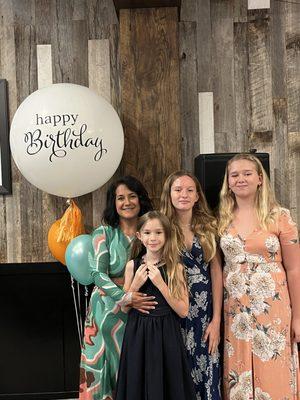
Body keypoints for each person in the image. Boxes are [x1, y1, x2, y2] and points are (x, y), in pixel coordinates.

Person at [218, 153, 300, 399]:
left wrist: (298, 316)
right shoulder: (220, 219)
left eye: (247, 173)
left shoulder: (280, 217)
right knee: (239, 372)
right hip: (236, 310)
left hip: (272, 308)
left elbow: (295, 269)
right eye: (234, 175)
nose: (240, 179)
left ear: (260, 178)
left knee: (274, 366)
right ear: (228, 182)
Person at [79, 176, 154, 400]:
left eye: (132, 196)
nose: (127, 202)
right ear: (114, 202)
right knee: (106, 365)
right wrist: (125, 297)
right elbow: (97, 275)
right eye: (120, 198)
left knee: (136, 365)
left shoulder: (151, 230)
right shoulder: (103, 234)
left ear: (140, 200)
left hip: (143, 308)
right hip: (107, 310)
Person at [115, 211, 197, 400]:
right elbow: (124, 308)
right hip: (138, 332)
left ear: (167, 235)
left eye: (159, 233)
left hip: (166, 332)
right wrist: (135, 284)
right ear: (139, 236)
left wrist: (161, 283)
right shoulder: (131, 266)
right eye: (147, 233)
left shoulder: (175, 267)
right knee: (138, 380)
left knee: (167, 382)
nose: (153, 238)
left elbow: (183, 311)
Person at [160, 171, 223, 400]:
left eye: (189, 190)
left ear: (197, 196)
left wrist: (216, 320)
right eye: (178, 190)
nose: (183, 194)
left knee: (207, 367)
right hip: (175, 311)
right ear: (169, 194)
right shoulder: (162, 227)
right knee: (178, 371)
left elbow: (216, 271)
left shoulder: (208, 226)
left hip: (205, 314)